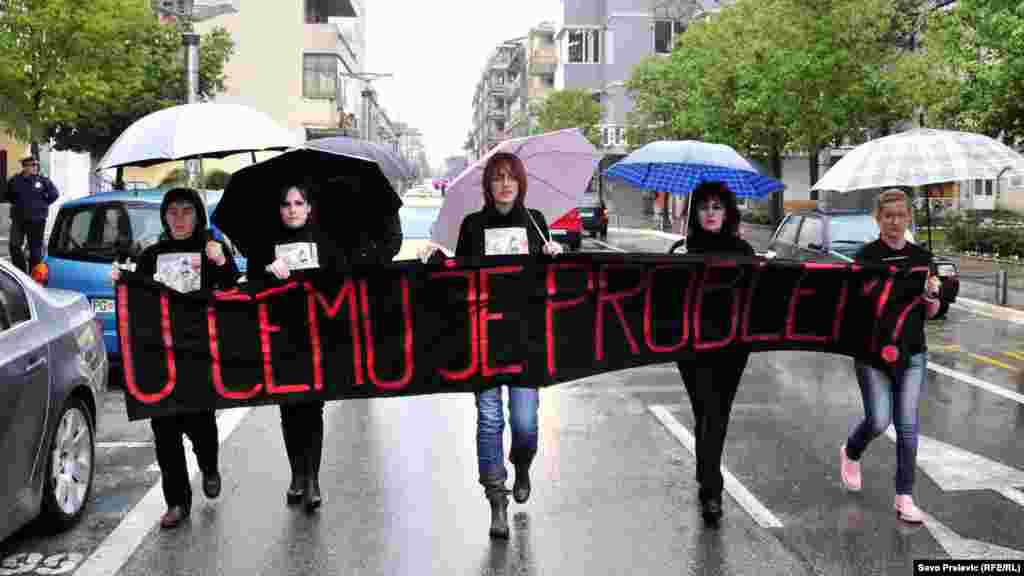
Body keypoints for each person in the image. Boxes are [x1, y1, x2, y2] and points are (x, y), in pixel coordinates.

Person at [426, 152, 563, 539]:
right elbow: (460, 279)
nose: (505, 184)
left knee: (525, 424)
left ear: (520, 183)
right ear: (488, 185)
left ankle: (521, 464)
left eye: (511, 178)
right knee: (489, 420)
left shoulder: (536, 223)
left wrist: (554, 257)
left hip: (525, 339)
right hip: (483, 339)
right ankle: (496, 500)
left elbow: (546, 284)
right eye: (498, 178)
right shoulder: (473, 225)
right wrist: (440, 263)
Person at [112, 187, 241, 529]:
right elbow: (137, 299)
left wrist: (221, 261)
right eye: (173, 212)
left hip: (199, 354)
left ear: (198, 215)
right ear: (164, 217)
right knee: (165, 432)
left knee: (201, 425)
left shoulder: (211, 249)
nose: (180, 218)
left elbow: (233, 288)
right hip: (161, 356)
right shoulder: (151, 255)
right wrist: (122, 281)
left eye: (187, 211)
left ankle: (209, 466)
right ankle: (177, 502)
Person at [840, 188, 941, 524]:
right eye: (888, 216)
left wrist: (931, 296)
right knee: (879, 421)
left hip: (913, 353)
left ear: (909, 217)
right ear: (878, 218)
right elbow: (852, 306)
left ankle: (904, 497)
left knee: (907, 427)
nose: (895, 222)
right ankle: (851, 451)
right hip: (873, 353)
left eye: (900, 215)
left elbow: (931, 313)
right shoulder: (866, 257)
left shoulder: (923, 258)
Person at [674, 181, 755, 527]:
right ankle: (710, 483)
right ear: (695, 212)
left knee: (716, 412)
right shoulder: (682, 250)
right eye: (704, 206)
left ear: (727, 212)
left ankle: (708, 483)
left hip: (732, 346)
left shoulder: (744, 250)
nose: (710, 213)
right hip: (691, 346)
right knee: (706, 409)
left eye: (717, 207)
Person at [6, 156, 59, 273]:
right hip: (19, 218)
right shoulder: (15, 180)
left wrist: (42, 205)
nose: (35, 167)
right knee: (14, 245)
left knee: (35, 250)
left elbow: (54, 194)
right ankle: (21, 271)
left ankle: (34, 274)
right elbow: (8, 195)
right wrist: (19, 204)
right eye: (32, 165)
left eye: (36, 165)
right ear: (25, 167)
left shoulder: (43, 180)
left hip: (37, 219)